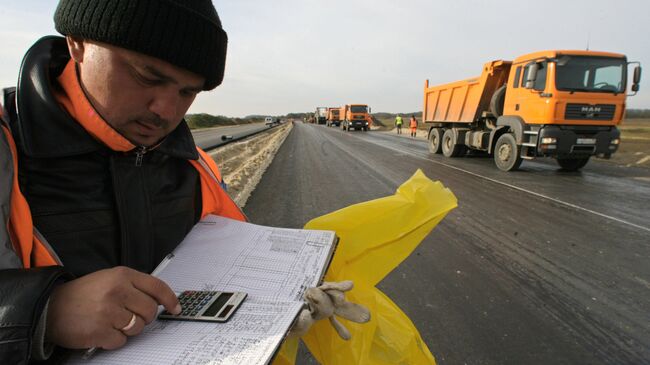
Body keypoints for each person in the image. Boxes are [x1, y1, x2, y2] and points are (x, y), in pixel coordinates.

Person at [0, 1, 366, 362]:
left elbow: (232, 265)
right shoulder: (6, 151)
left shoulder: (196, 168)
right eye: (147, 76)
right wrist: (45, 313)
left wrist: (280, 302)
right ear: (77, 42)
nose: (166, 111)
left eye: (187, 92)